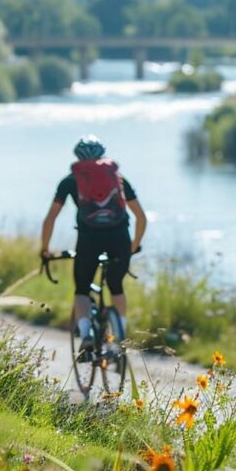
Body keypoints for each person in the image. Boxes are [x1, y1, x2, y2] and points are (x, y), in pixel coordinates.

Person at [39, 135, 147, 354]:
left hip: (89, 240)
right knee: (116, 284)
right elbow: (141, 217)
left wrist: (45, 249)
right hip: (119, 238)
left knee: (82, 287)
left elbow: (51, 218)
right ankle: (120, 335)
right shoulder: (118, 179)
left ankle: (86, 333)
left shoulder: (70, 181)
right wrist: (133, 245)